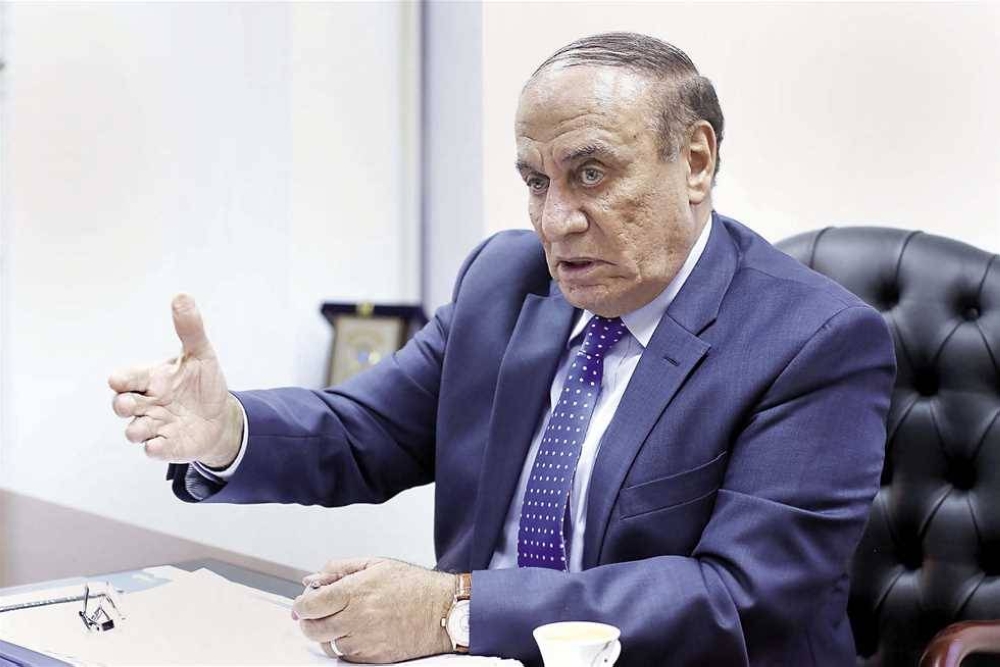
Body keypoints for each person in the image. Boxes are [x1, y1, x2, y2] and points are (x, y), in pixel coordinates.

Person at [109, 32, 896, 666]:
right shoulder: (505, 279)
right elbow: (368, 430)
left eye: (592, 173)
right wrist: (228, 431)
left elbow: (734, 598)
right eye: (536, 181)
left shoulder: (815, 340)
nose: (556, 221)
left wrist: (456, 610)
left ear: (694, 160)